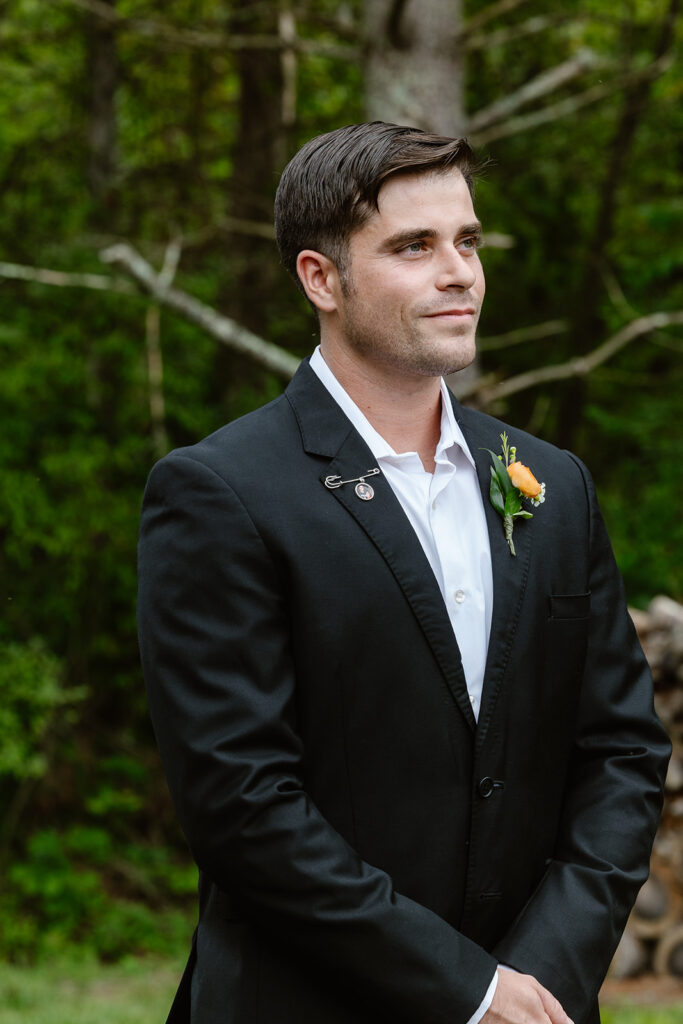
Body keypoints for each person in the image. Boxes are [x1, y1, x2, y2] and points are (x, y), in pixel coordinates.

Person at [137, 122, 671, 1024]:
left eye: (466, 241)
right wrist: (466, 992)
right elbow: (241, 805)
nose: (458, 271)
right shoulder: (221, 492)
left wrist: (535, 978)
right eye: (413, 247)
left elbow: (620, 752)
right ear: (321, 279)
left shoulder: (552, 486)